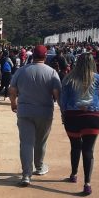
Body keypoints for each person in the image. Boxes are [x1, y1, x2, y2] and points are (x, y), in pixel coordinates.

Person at [8, 45, 62, 186]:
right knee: (41, 142)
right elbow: (57, 94)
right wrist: (63, 111)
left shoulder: (21, 71)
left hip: (25, 111)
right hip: (45, 113)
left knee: (26, 143)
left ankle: (26, 175)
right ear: (45, 56)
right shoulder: (52, 73)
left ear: (32, 56)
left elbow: (12, 90)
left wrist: (13, 103)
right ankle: (39, 167)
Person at [59, 53, 99, 196]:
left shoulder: (69, 78)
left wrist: (64, 113)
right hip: (92, 117)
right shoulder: (98, 78)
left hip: (72, 117)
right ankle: (87, 183)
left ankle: (74, 174)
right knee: (88, 150)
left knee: (75, 146)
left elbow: (62, 100)